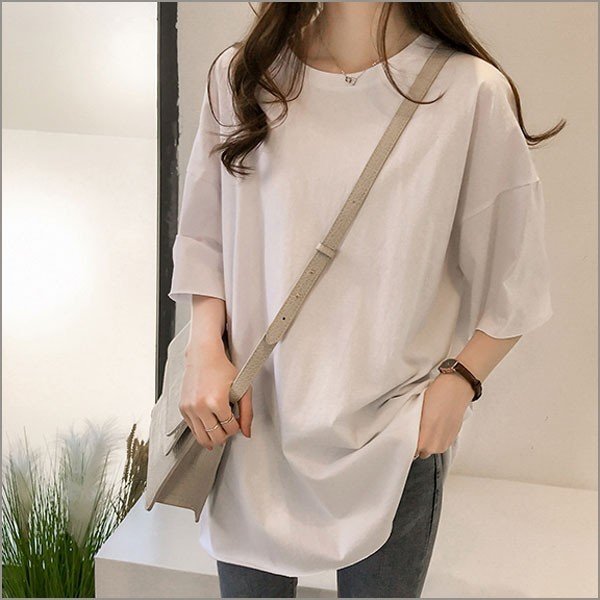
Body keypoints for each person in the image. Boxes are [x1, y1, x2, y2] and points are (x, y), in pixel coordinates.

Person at [170, 2, 562, 597]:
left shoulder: (469, 93)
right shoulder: (243, 76)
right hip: (252, 423)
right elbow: (204, 236)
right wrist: (203, 347)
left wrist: (462, 381)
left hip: (393, 434)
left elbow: (518, 275)